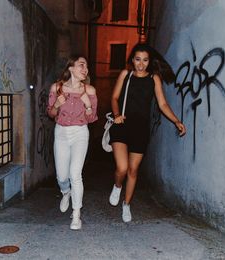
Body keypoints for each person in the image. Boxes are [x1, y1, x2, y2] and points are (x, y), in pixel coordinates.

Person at [108, 43, 186, 223]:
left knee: (133, 170)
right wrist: (117, 115)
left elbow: (163, 104)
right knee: (122, 168)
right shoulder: (125, 75)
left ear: (149, 61)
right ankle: (117, 185)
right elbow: (114, 98)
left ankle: (126, 204)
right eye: (137, 60)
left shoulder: (154, 79)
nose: (141, 64)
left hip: (141, 129)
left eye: (144, 60)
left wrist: (176, 121)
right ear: (132, 60)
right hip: (122, 124)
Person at [47, 55, 98, 230]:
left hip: (80, 133)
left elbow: (92, 119)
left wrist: (88, 105)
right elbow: (51, 114)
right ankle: (65, 192)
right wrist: (56, 105)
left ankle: (76, 215)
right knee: (62, 176)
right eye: (81, 65)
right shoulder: (57, 87)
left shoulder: (89, 90)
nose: (85, 69)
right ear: (71, 68)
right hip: (61, 132)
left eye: (86, 66)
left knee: (75, 174)